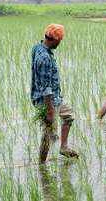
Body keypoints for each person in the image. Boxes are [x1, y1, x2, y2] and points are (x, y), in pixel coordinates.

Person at [31, 23, 78, 163]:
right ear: (54, 39)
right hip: (47, 101)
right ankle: (42, 163)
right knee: (48, 132)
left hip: (55, 98)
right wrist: (50, 111)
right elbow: (46, 88)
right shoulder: (44, 58)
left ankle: (63, 147)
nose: (60, 43)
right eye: (60, 40)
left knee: (68, 116)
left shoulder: (37, 47)